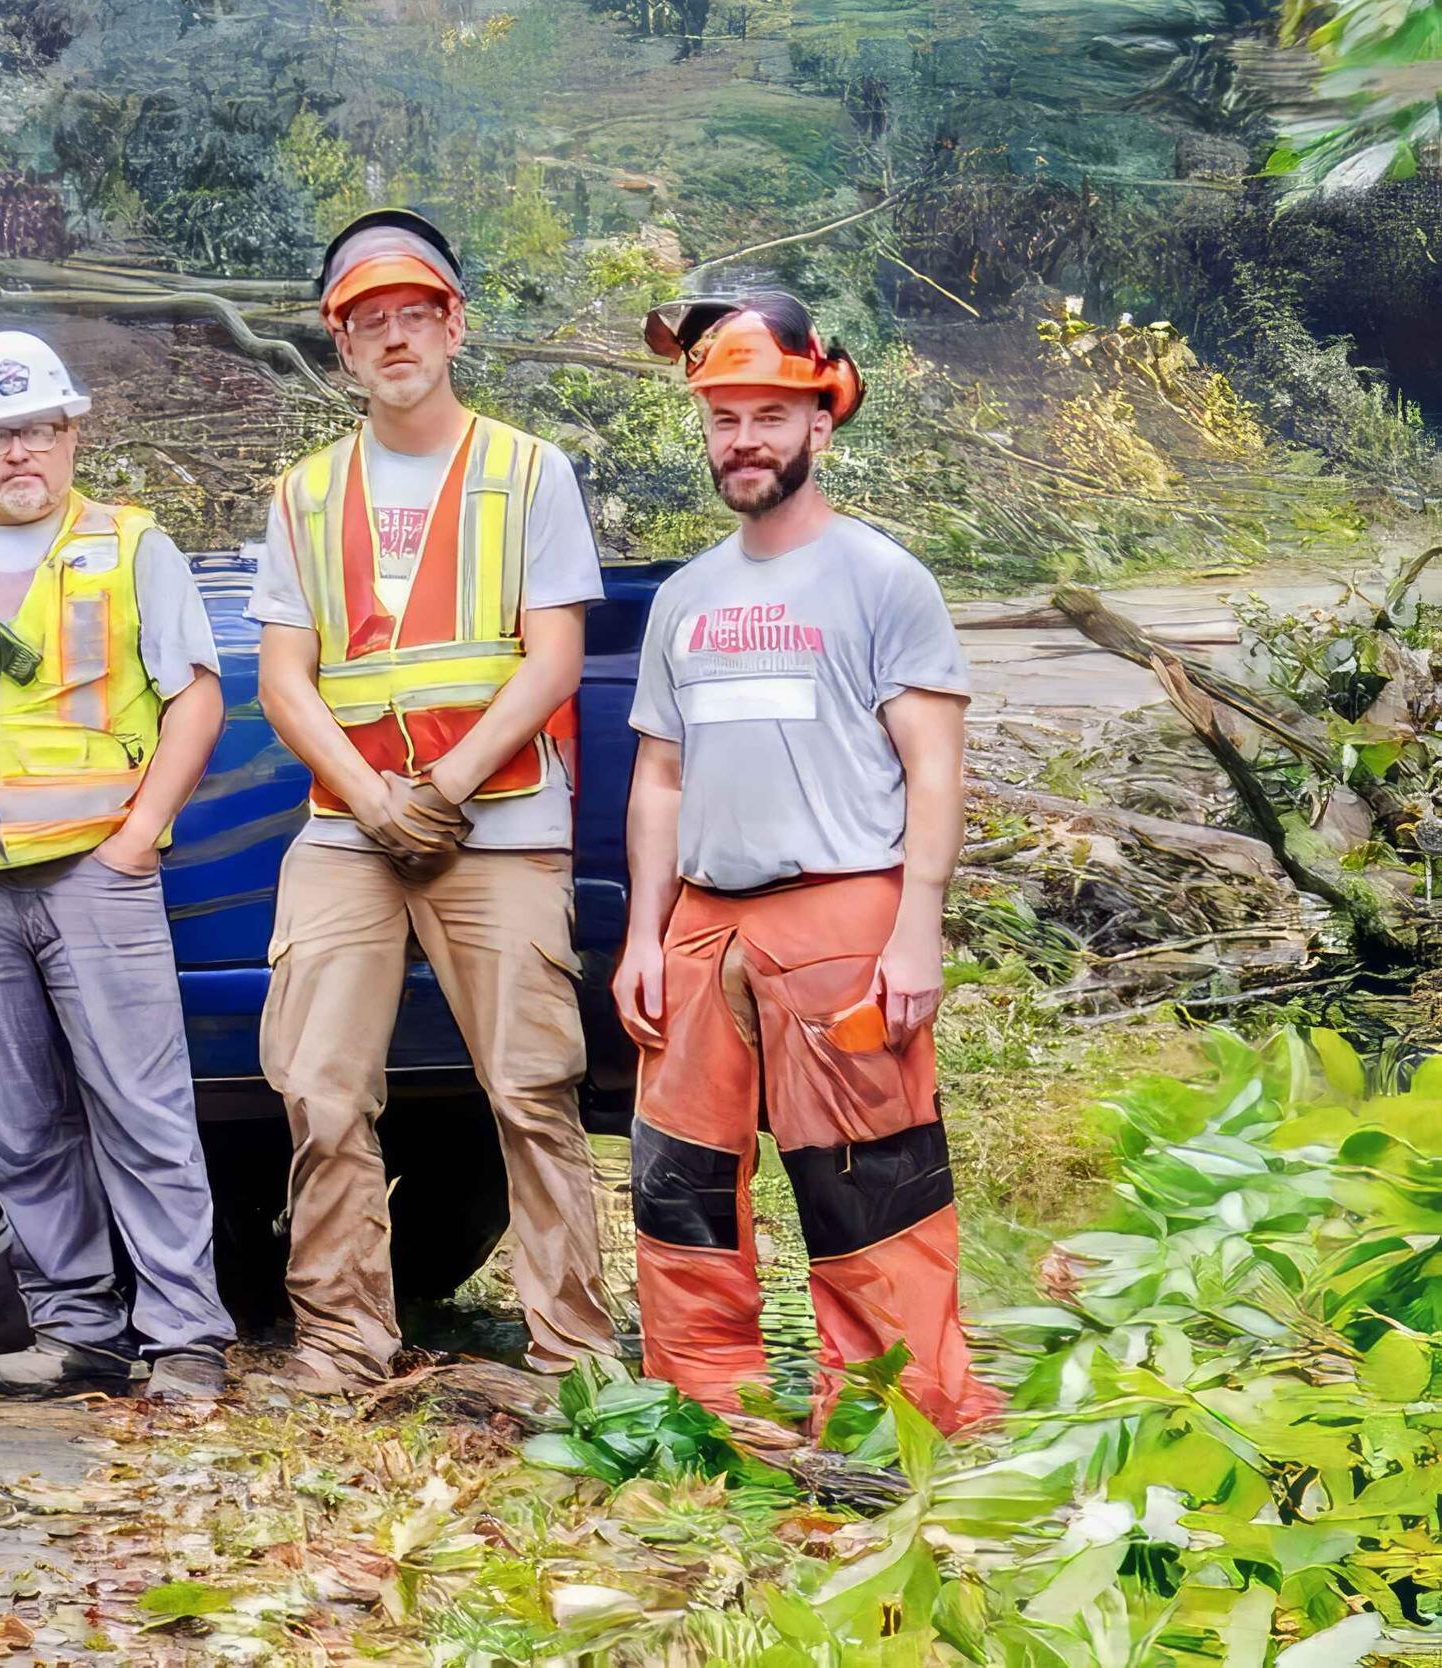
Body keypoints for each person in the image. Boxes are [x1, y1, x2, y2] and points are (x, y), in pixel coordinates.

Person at [615, 290, 1002, 1432]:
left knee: (867, 1184)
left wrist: (917, 924)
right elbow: (660, 780)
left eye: (768, 416)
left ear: (818, 424)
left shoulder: (884, 580)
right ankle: (703, 1410)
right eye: (724, 417)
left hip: (842, 919)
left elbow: (934, 769)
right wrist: (644, 933)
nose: (744, 439)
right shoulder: (683, 596)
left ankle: (902, 1420)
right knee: (677, 1182)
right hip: (700, 929)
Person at [250, 209, 620, 1392]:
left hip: (499, 819)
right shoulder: (304, 494)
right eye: (370, 322)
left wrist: (445, 789)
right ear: (341, 348)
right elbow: (283, 676)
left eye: (416, 314)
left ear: (455, 325)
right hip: (346, 827)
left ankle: (574, 1351)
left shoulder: (527, 470)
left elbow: (553, 654)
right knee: (318, 1087)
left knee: (533, 1087)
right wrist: (374, 798)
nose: (395, 337)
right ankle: (345, 1340)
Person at [0, 331, 237, 1401]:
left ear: (72, 432)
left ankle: (185, 1337)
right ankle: (76, 1328)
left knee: (141, 1110)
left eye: (36, 428)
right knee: (15, 1119)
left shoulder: (130, 545)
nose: (17, 454)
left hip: (97, 871)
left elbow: (195, 693)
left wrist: (139, 832)